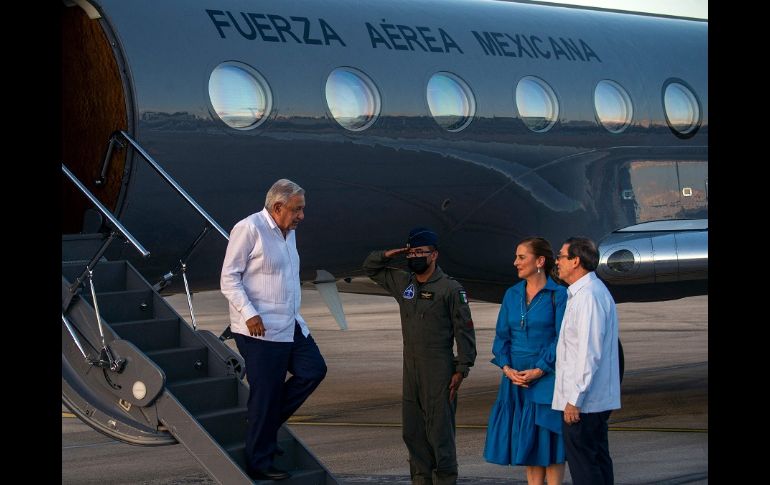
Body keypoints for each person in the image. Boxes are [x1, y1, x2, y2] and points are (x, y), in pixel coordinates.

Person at [220, 178, 327, 481]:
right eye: (297, 210)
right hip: (259, 330)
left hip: (290, 325)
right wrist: (249, 313)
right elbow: (229, 278)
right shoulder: (249, 229)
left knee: (313, 370)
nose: (301, 216)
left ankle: (261, 431)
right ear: (278, 207)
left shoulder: (287, 232)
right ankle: (259, 462)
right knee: (265, 395)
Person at [363, 227, 477, 485]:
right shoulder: (405, 283)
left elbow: (464, 331)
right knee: (412, 432)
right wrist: (390, 253)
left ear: (434, 255)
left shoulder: (450, 289)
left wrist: (462, 368)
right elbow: (370, 267)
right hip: (410, 368)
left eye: (420, 252)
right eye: (411, 251)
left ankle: (445, 480)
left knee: (439, 434)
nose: (414, 256)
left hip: (439, 368)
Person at [483, 237, 567, 485]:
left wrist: (540, 369)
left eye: (522, 257)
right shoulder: (511, 294)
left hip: (546, 376)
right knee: (528, 445)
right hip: (516, 378)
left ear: (540, 261)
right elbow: (501, 337)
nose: (515, 262)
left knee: (549, 445)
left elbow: (561, 338)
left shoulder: (559, 295)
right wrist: (507, 368)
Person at [552, 236, 621, 485]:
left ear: (576, 261)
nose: (556, 261)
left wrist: (575, 399)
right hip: (589, 400)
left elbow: (588, 353)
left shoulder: (588, 297)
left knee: (585, 466)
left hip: (585, 403)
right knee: (597, 459)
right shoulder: (584, 293)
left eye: (561, 256)